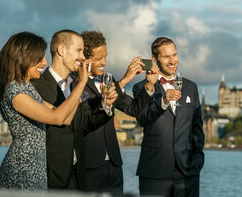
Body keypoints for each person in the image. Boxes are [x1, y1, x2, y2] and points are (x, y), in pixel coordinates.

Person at [0, 31, 89, 190]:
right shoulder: (15, 92)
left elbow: (66, 119)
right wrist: (81, 84)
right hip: (22, 168)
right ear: (24, 58)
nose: (45, 62)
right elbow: (57, 118)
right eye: (39, 58)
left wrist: (79, 89)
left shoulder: (27, 89)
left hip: (36, 167)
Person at [32, 29, 116, 190]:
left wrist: (106, 105)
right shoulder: (38, 85)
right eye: (78, 50)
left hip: (79, 177)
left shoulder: (75, 84)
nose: (83, 57)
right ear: (61, 50)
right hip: (51, 177)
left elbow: (85, 123)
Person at [80, 31, 161, 194]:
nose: (104, 62)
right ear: (85, 60)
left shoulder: (107, 80)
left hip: (114, 165)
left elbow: (134, 110)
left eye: (105, 56)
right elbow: (87, 115)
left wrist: (149, 85)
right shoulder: (76, 82)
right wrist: (124, 80)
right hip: (88, 165)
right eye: (98, 59)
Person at [132, 37, 205, 197]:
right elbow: (142, 119)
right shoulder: (140, 88)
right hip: (154, 171)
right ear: (154, 59)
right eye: (166, 57)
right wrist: (163, 101)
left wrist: (198, 160)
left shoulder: (191, 87)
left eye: (175, 55)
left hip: (187, 172)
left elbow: (197, 127)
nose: (172, 61)